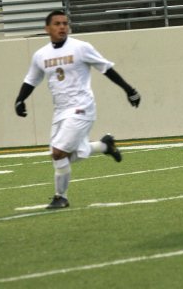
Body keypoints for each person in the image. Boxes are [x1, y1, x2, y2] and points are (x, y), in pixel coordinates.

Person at [14, 10, 141, 209]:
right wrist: (20, 100)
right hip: (60, 111)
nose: (62, 27)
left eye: (65, 23)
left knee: (58, 153)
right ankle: (105, 146)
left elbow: (106, 68)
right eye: (57, 24)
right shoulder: (41, 55)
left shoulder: (81, 48)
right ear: (47, 28)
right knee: (63, 155)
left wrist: (129, 90)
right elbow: (31, 79)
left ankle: (61, 197)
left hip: (82, 108)